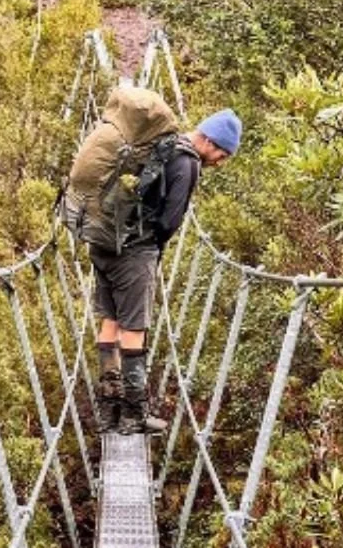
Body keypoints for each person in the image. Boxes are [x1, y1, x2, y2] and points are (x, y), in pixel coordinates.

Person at [91, 108, 243, 435]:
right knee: (134, 328)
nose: (220, 160)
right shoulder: (187, 163)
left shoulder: (160, 142)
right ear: (210, 140)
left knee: (109, 321)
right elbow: (170, 221)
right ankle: (132, 416)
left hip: (104, 240)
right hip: (134, 252)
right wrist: (149, 247)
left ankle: (107, 413)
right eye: (223, 153)